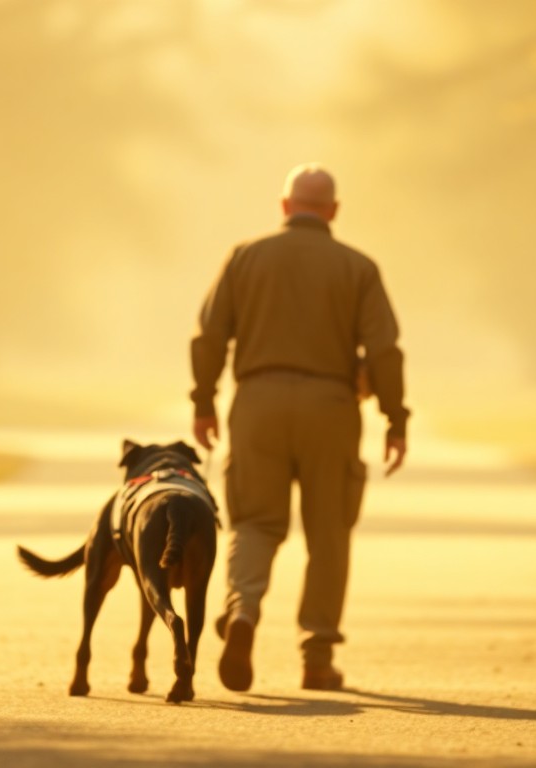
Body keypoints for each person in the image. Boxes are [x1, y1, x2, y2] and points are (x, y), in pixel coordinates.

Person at [190, 163, 409, 692]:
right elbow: (383, 350)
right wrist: (395, 419)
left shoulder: (245, 258)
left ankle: (242, 611)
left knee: (255, 522)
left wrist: (204, 402)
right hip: (330, 408)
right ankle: (317, 654)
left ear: (285, 206)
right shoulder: (358, 268)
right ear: (332, 210)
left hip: (258, 403)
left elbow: (210, 335)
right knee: (328, 532)